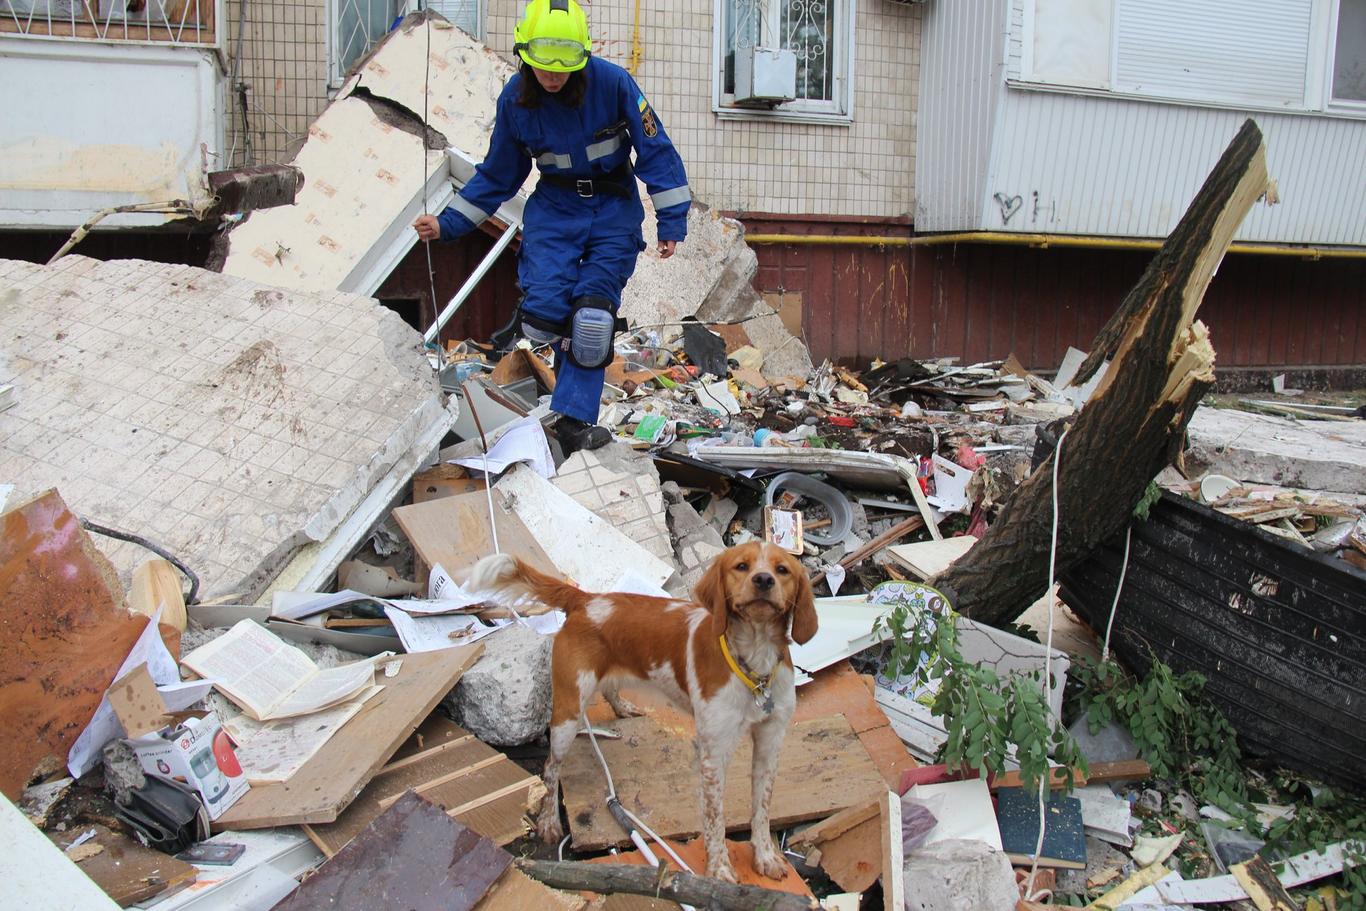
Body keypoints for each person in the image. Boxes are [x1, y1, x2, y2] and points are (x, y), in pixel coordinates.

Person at [414, 0, 690, 454]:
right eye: (543, 68)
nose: (553, 77)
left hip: (612, 209)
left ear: (582, 58)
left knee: (593, 322)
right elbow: (499, 174)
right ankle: (539, 335)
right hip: (555, 210)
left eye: (563, 68)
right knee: (545, 321)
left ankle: (574, 421)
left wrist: (671, 220)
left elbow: (656, 149)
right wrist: (447, 224)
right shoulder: (515, 101)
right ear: (525, 55)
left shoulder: (615, 84)